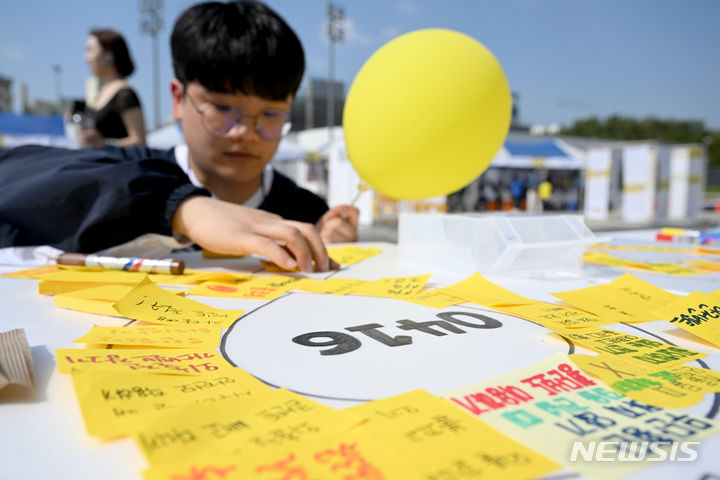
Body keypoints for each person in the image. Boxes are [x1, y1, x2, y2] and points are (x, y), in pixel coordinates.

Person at [0, 0, 358, 273]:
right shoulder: (133, 169)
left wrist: (333, 243)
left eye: (270, 115)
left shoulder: (306, 213)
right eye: (223, 110)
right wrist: (182, 209)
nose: (245, 133)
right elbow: (13, 176)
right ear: (178, 98)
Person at [77, 28, 146, 147]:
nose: (86, 57)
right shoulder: (102, 92)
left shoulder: (125, 95)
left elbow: (140, 141)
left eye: (91, 50)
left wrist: (105, 144)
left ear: (109, 54)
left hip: (119, 165)